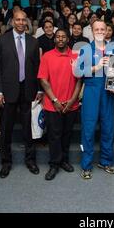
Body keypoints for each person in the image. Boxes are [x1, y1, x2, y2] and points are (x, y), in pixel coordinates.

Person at [0, 10, 43, 178]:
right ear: (12, 22)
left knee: (28, 128)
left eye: (24, 20)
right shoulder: (2, 40)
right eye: (18, 20)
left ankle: (30, 160)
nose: (21, 22)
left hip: (28, 90)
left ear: (27, 22)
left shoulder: (33, 41)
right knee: (6, 129)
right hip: (7, 91)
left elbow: (37, 68)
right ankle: (6, 162)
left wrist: (39, 88)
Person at [74, 20, 114, 180]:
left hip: (108, 93)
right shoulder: (86, 49)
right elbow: (77, 72)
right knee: (88, 129)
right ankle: (86, 165)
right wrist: (96, 67)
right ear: (92, 31)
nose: (100, 31)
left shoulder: (113, 49)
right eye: (97, 29)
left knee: (108, 128)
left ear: (107, 31)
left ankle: (105, 161)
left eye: (103, 28)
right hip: (91, 93)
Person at [38, 29, 82, 181]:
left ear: (68, 39)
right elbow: (43, 80)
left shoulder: (76, 56)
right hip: (53, 104)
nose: (61, 39)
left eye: (64, 36)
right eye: (58, 36)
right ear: (54, 39)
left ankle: (64, 160)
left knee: (66, 134)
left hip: (71, 104)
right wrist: (55, 100)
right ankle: (54, 164)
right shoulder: (47, 56)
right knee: (54, 135)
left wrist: (71, 101)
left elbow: (79, 81)